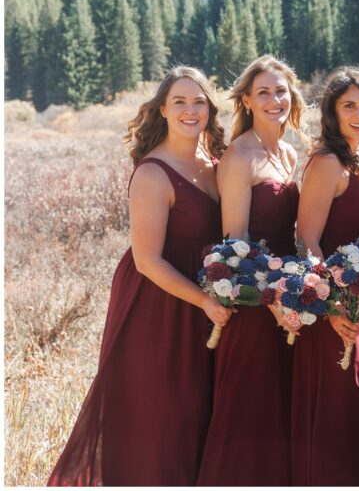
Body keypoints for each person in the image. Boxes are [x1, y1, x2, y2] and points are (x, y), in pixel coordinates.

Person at [48, 67, 227, 486]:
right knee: (159, 419)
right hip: (158, 307)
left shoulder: (217, 165)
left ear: (210, 109)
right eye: (179, 101)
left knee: (200, 415)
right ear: (162, 109)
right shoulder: (153, 172)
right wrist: (204, 301)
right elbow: (147, 260)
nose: (190, 110)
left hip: (208, 301)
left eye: (198, 101)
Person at [197, 55, 304, 486]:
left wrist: (299, 289)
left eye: (281, 91)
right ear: (246, 100)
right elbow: (234, 244)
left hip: (292, 295)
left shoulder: (290, 152)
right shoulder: (239, 156)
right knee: (249, 410)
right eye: (263, 92)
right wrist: (272, 301)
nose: (274, 99)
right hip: (253, 302)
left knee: (282, 409)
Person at [292, 66, 359, 485]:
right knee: (336, 422)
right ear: (331, 110)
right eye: (349, 105)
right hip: (333, 314)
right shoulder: (327, 162)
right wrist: (330, 307)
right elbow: (305, 241)